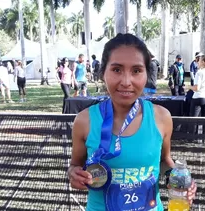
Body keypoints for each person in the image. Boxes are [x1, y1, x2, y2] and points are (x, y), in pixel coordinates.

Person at [68, 33, 197, 211]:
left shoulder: (161, 117)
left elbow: (165, 161)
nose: (126, 81)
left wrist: (180, 179)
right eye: (116, 70)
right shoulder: (84, 120)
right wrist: (73, 174)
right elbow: (75, 165)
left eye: (136, 71)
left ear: (146, 74)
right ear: (103, 72)